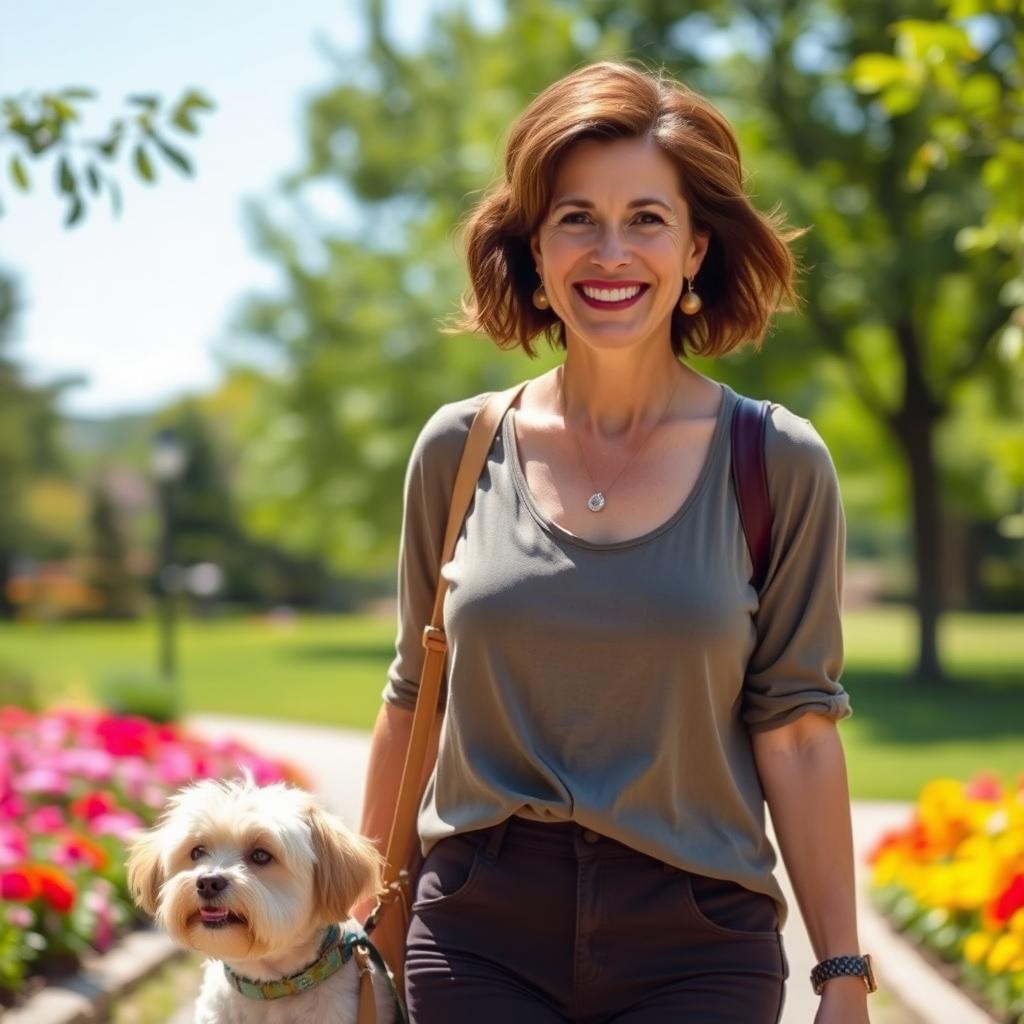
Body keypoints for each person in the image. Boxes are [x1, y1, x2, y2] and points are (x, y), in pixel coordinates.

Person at [352, 60, 873, 1024]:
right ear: (537, 252)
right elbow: (413, 698)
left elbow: (797, 732)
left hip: (699, 941)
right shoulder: (459, 450)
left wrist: (841, 971)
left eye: (646, 218)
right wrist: (369, 919)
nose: (610, 252)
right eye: (576, 218)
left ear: (694, 250)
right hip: (477, 933)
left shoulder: (777, 460)